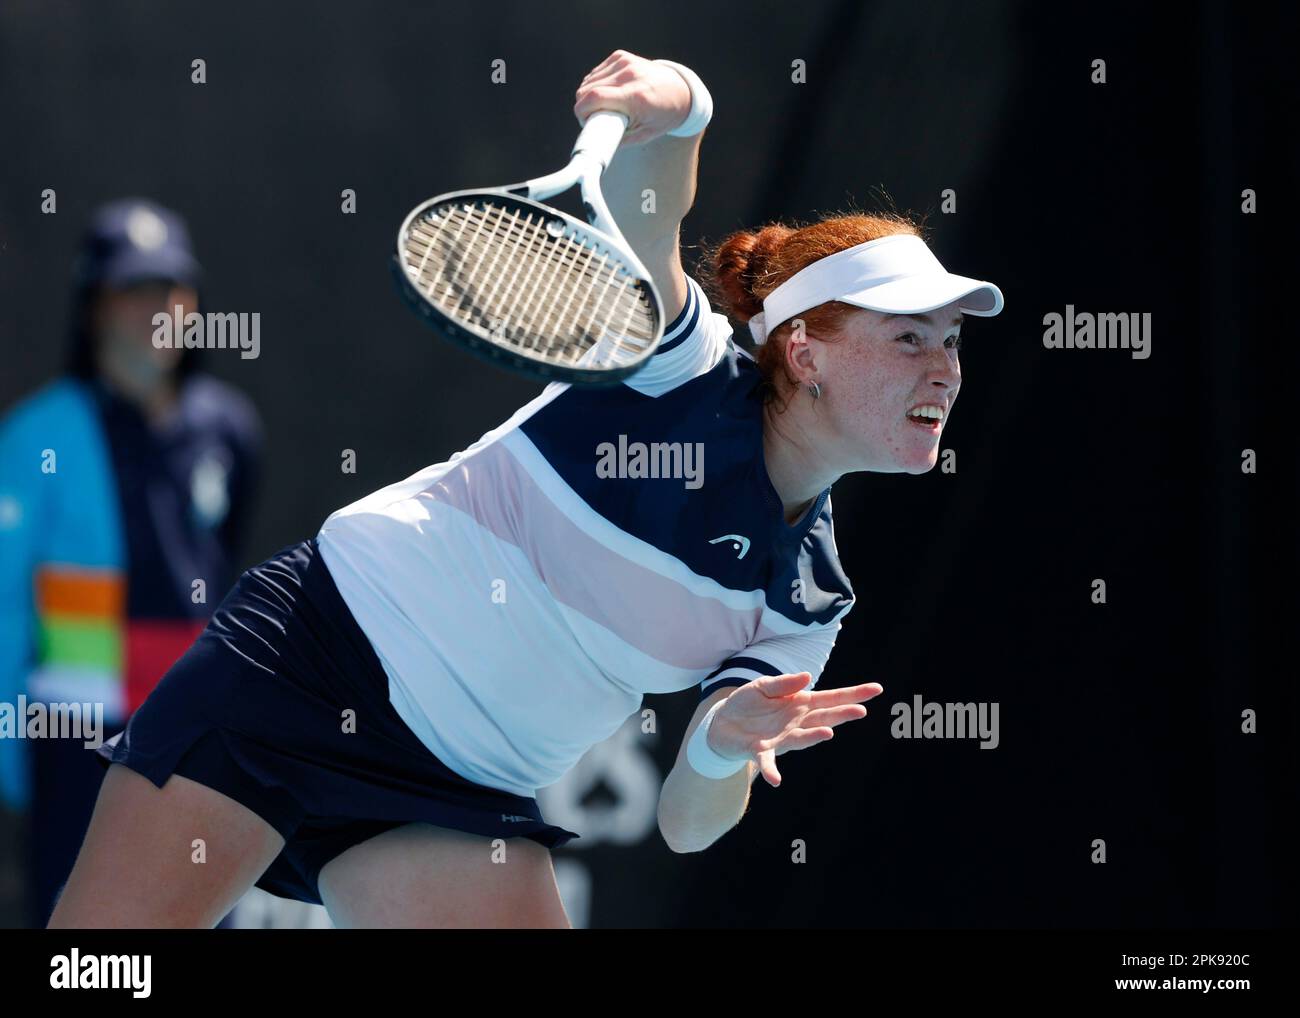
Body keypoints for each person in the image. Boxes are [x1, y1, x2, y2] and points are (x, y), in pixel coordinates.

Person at [47, 51, 1002, 929]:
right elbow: (649, 211)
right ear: (806, 350)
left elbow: (688, 825)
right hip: (305, 665)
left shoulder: (810, 595)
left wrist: (720, 742)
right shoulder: (680, 367)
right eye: (910, 337)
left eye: (952, 342)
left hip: (460, 791)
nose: (945, 370)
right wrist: (680, 108)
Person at [0, 198, 262, 927]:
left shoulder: (231, 432)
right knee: (85, 958)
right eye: (133, 291)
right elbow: (4, 606)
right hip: (74, 753)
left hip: (195, 749)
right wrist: (14, 754)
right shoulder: (34, 438)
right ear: (93, 308)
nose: (157, 310)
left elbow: (225, 570)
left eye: (170, 291)